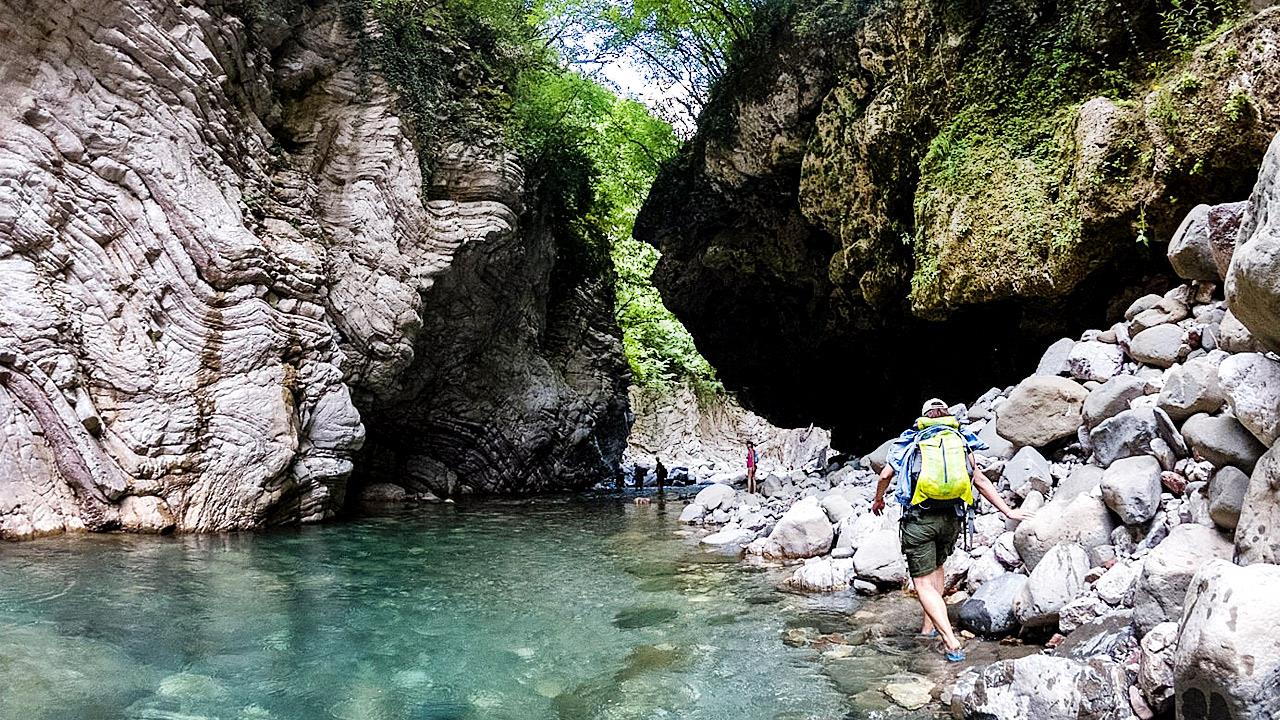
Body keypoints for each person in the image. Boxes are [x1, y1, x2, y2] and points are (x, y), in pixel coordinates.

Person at [870, 398, 1034, 662]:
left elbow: (884, 475)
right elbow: (979, 480)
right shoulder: (960, 440)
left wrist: (878, 499)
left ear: (923, 417)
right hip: (951, 520)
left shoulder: (912, 439)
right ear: (946, 416)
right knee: (937, 567)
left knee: (922, 582)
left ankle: (950, 641)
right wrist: (1008, 511)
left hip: (920, 520)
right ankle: (929, 628)